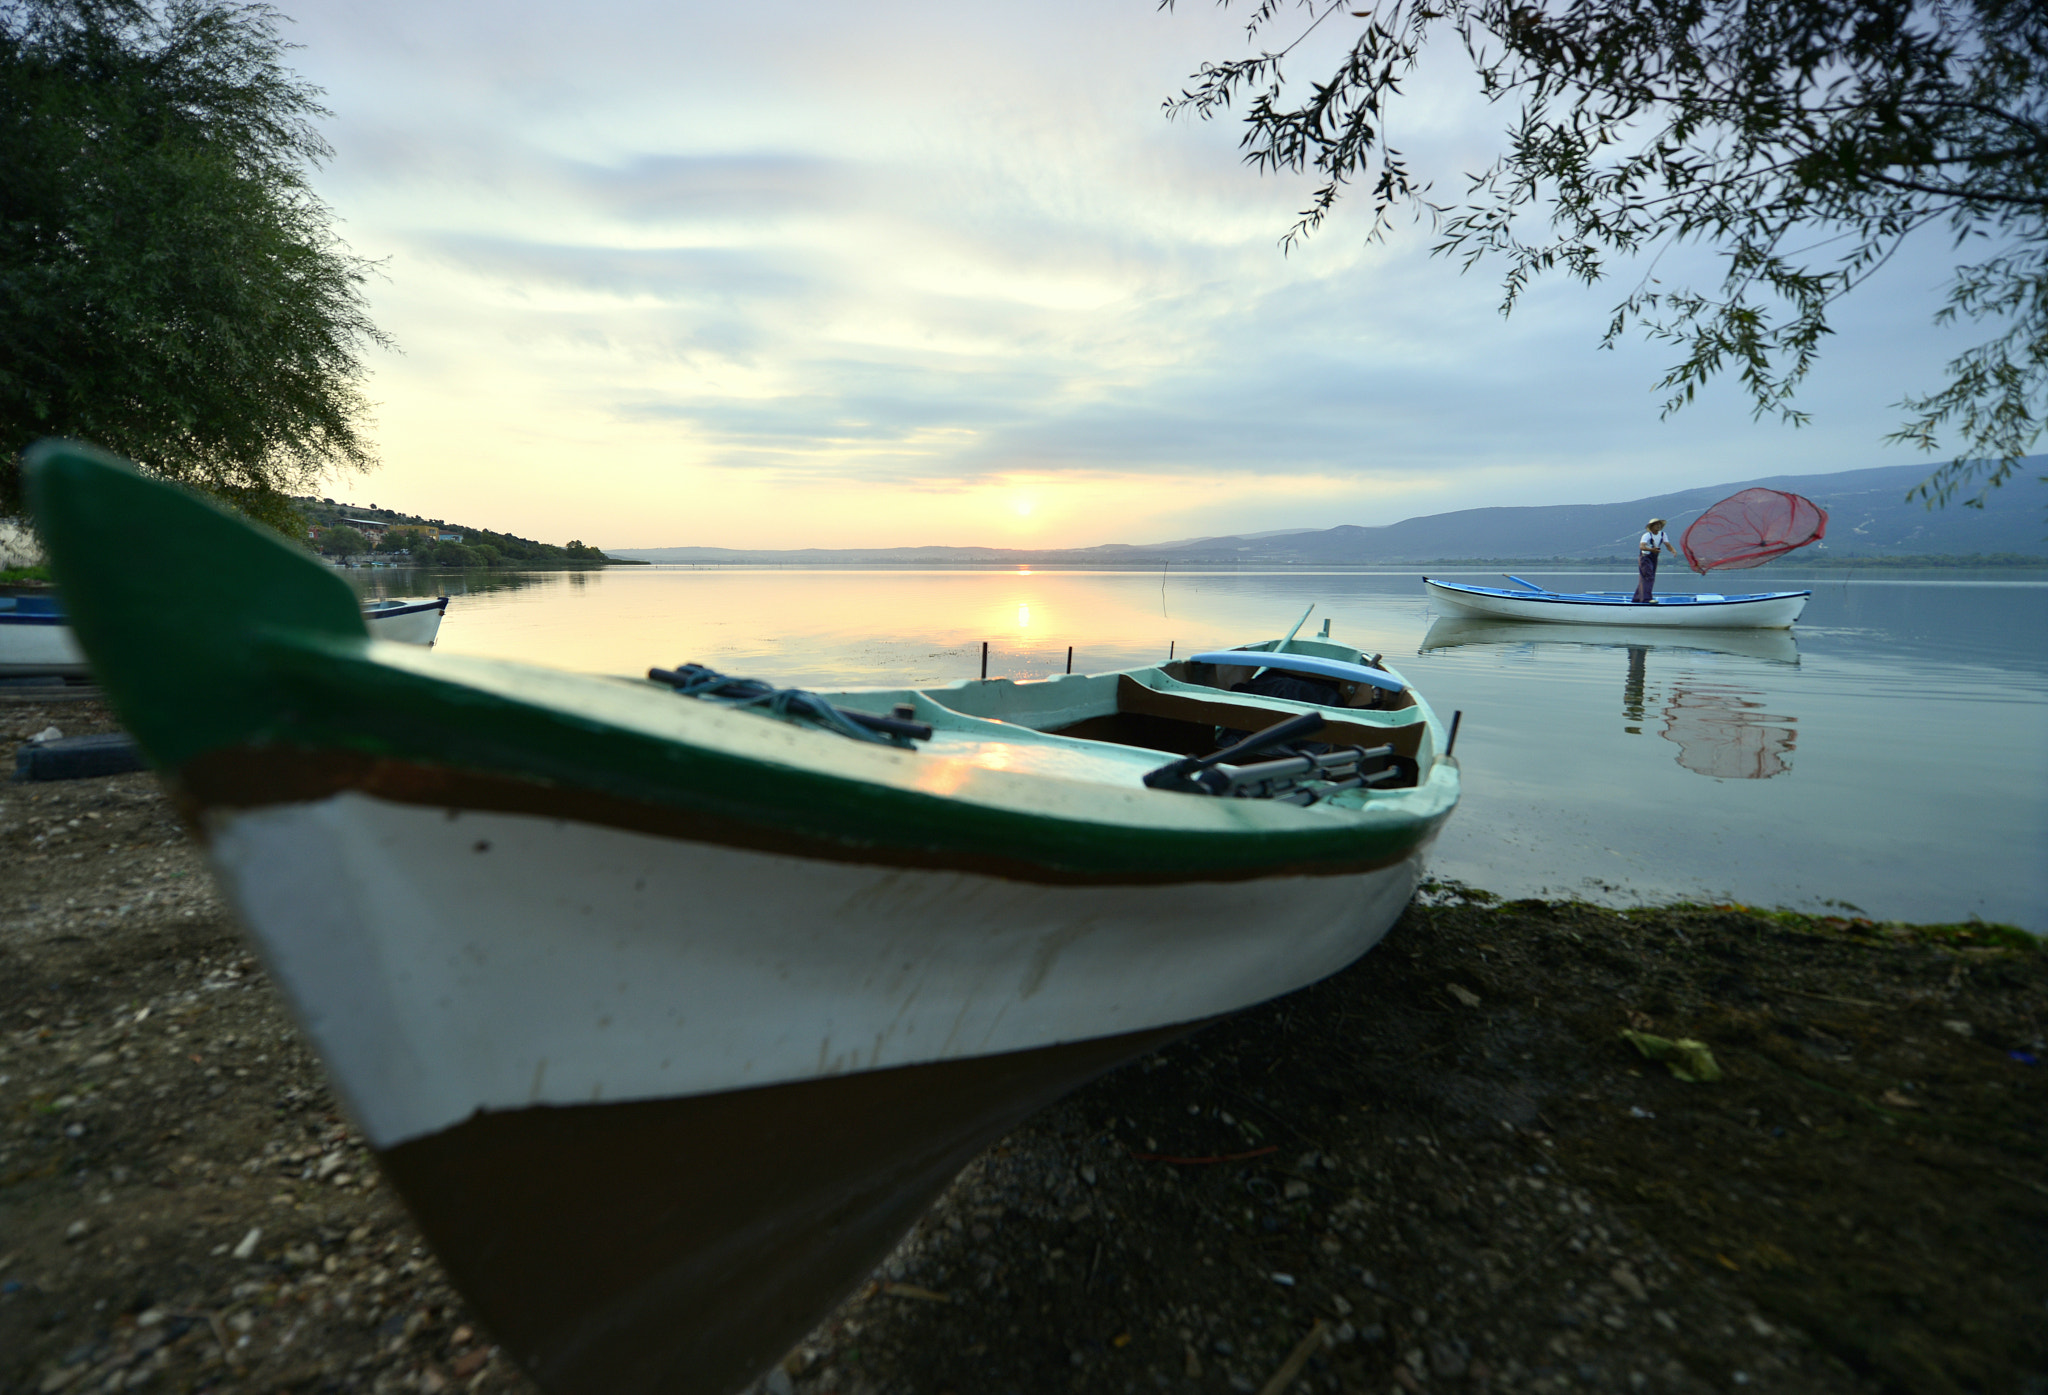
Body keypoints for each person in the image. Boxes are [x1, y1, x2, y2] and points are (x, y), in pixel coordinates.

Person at [1633, 517, 1677, 603]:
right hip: (1645, 557)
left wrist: (1673, 550)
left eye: (1659, 525)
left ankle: (1637, 598)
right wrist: (1651, 550)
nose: (1658, 526)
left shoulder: (1663, 534)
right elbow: (1641, 546)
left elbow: (1667, 544)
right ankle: (1646, 599)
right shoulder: (1647, 535)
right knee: (1648, 576)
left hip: (1654, 557)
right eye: (1656, 525)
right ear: (1651, 526)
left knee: (1647, 577)